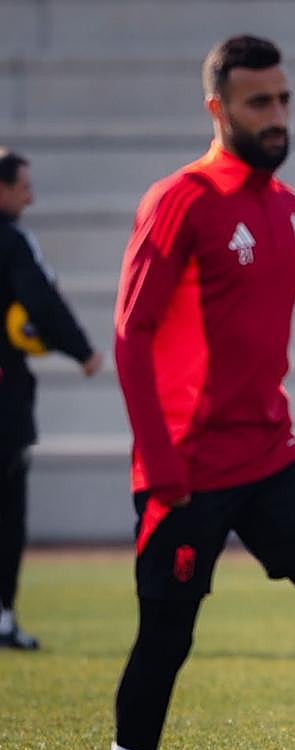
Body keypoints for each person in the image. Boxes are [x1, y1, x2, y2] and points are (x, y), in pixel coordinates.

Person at [103, 36, 295, 750]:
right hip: (187, 468)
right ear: (217, 109)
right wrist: (159, 463)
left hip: (271, 454)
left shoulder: (289, 208)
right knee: (166, 639)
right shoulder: (180, 200)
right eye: (260, 102)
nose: (277, 115)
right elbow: (130, 335)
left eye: (284, 99)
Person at [0, 148, 103, 651]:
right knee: (7, 511)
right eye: (23, 188)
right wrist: (82, 351)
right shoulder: (13, 242)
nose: (31, 198)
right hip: (4, 398)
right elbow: (41, 302)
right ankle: (1, 618)